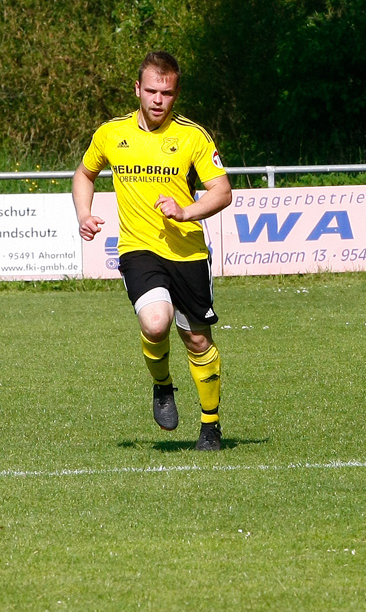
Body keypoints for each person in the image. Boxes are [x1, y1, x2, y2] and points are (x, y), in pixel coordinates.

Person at [72, 51, 233, 451]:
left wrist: (186, 211)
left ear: (175, 94)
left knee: (196, 341)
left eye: (168, 92)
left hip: (189, 253)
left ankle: (210, 425)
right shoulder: (111, 133)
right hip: (139, 248)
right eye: (152, 91)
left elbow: (222, 192)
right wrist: (84, 213)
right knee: (156, 323)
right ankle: (163, 386)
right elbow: (85, 173)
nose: (159, 99)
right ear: (137, 90)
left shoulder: (193, 136)